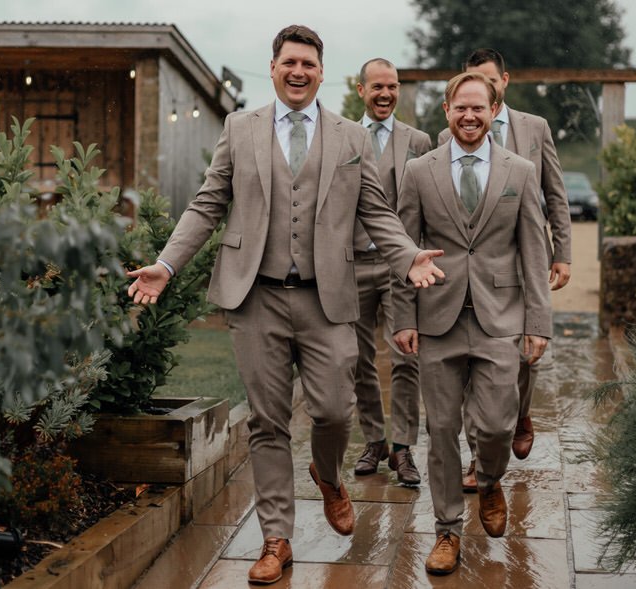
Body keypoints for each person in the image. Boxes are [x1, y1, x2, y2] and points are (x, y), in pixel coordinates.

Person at [126, 25, 444, 586]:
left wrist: (407, 256)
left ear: (323, 74)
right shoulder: (238, 128)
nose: (299, 72)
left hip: (328, 300)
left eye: (309, 65)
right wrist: (167, 264)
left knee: (334, 412)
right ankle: (278, 539)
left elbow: (375, 211)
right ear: (273, 68)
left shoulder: (350, 137)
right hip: (257, 300)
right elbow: (206, 204)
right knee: (269, 423)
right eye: (290, 62)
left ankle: (327, 475)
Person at [393, 72, 551, 575]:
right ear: (446, 111)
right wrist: (402, 316)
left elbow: (533, 247)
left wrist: (538, 321)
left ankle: (488, 480)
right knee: (440, 431)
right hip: (437, 318)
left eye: (478, 109)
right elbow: (403, 246)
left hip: (499, 318)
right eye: (460, 108)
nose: (469, 116)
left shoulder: (520, 172)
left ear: (493, 111)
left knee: (498, 425)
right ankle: (446, 531)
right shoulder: (419, 171)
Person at [438, 49, 571, 487]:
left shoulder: (534, 128)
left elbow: (555, 193)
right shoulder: (445, 140)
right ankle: (481, 461)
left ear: (502, 87)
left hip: (524, 256)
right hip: (475, 271)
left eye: (488, 87)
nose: (477, 102)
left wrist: (562, 251)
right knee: (476, 372)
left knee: (523, 361)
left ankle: (521, 414)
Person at [351, 58, 432, 486]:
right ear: (360, 89)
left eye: (393, 87)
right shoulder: (343, 137)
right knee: (358, 359)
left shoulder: (418, 141)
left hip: (400, 265)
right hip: (353, 262)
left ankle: (402, 448)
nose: (385, 94)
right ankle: (373, 440)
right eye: (377, 87)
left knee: (406, 354)